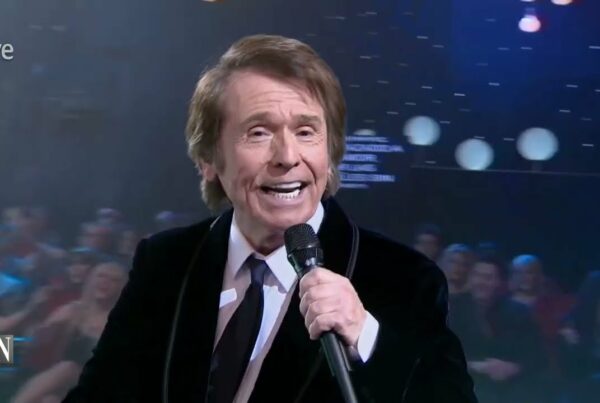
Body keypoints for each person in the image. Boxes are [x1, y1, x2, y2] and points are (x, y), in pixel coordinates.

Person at [61, 34, 476, 403]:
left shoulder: (404, 280)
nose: (287, 157)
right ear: (208, 159)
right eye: (258, 132)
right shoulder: (165, 262)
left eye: (306, 132)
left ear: (331, 153)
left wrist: (365, 337)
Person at [13, 261, 127, 403]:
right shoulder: (73, 310)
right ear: (90, 280)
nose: (105, 282)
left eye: (114, 280)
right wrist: (46, 324)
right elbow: (36, 340)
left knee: (68, 368)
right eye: (101, 276)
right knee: (49, 400)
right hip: (64, 384)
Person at [450, 253, 544, 403]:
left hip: (507, 387)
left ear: (500, 283)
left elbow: (536, 356)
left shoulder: (519, 313)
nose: (481, 282)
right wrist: (477, 367)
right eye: (477, 275)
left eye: (488, 277)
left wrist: (513, 368)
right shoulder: (452, 308)